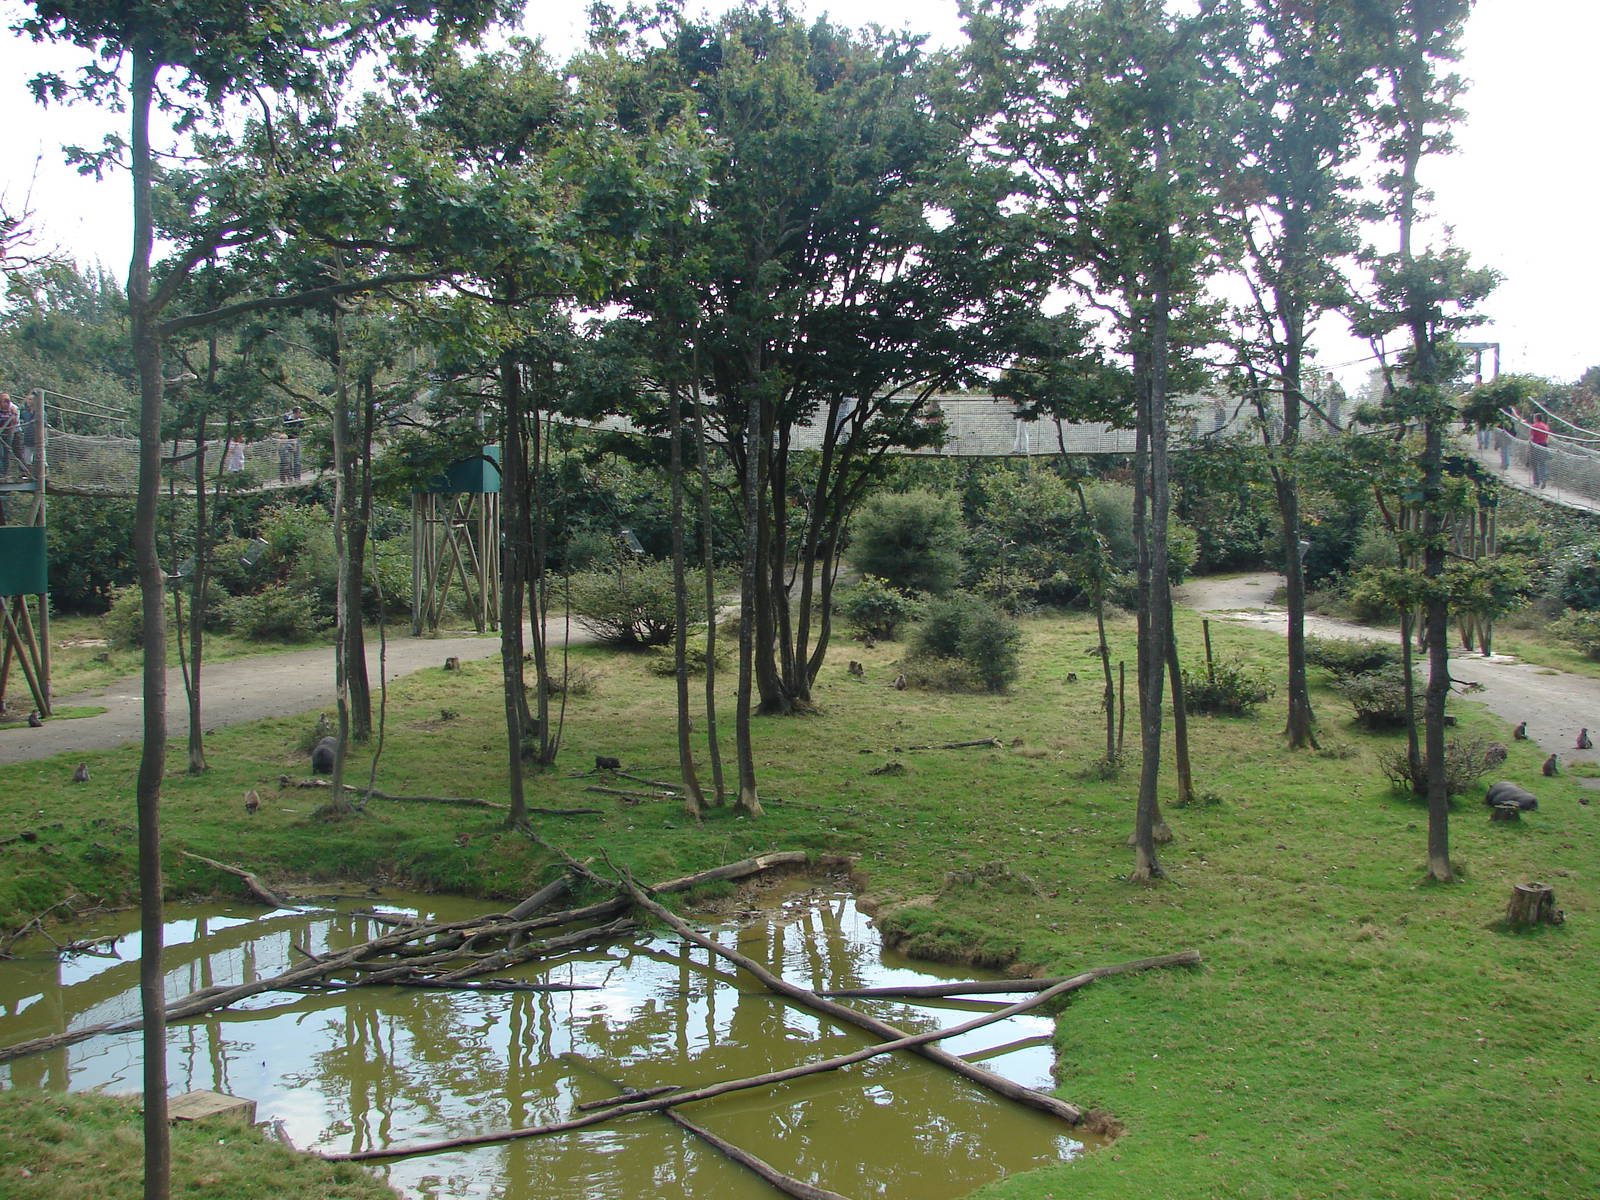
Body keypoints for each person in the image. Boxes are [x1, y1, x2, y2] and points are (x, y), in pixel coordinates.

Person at [0, 392, 22, 480]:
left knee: (6, 453)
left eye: (7, 401)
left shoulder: (13, 409)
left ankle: (4, 473)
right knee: (0, 453)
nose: (6, 403)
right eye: (3, 401)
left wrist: (14, 416)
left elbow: (15, 423)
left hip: (8, 433)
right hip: (1, 433)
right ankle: (1, 473)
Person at [282, 406, 305, 479]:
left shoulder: (300, 420)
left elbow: (302, 427)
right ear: (295, 413)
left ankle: (297, 477)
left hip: (296, 440)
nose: (300, 414)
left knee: (297, 460)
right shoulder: (287, 419)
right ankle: (289, 477)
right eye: (299, 413)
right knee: (287, 460)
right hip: (287, 441)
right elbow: (284, 421)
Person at [1529, 416, 1551, 488]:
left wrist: (1529, 445)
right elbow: (1547, 437)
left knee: (1534, 464)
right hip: (1544, 446)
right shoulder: (1546, 426)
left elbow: (1532, 437)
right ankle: (1543, 476)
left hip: (1535, 445)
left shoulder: (1534, 426)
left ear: (1535, 419)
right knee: (1542, 463)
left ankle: (1536, 482)